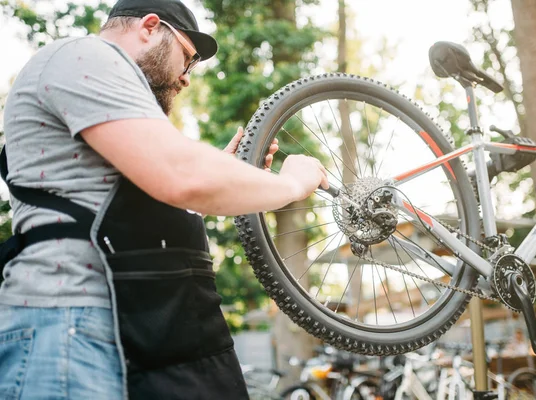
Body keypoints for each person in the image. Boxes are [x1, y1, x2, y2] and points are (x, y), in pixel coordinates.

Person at [0, 0, 329, 398]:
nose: (187, 78)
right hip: (69, 325)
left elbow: (137, 205)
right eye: (187, 59)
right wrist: (293, 185)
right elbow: (181, 176)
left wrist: (226, 172)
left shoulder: (95, 87)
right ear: (150, 27)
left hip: (115, 330)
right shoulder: (85, 55)